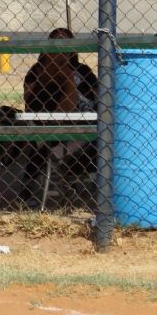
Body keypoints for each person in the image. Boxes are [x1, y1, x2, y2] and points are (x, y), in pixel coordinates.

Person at [21, 27, 98, 206]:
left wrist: (69, 77)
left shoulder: (82, 71)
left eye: (66, 46)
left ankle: (77, 178)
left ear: (73, 49)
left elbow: (97, 96)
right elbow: (29, 101)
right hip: (47, 125)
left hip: (83, 124)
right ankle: (31, 187)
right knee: (43, 145)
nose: (61, 50)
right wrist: (53, 74)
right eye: (56, 45)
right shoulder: (38, 71)